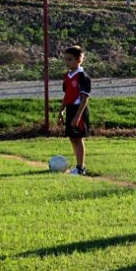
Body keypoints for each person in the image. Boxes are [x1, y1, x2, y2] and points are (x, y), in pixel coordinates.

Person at [58, 45, 91, 176]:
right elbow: (67, 96)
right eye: (66, 59)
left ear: (79, 60)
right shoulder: (67, 76)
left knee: (78, 138)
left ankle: (80, 168)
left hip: (79, 111)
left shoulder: (83, 77)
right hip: (71, 109)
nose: (67, 62)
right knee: (72, 138)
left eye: (70, 59)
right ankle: (78, 166)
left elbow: (85, 98)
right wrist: (61, 111)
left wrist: (77, 117)